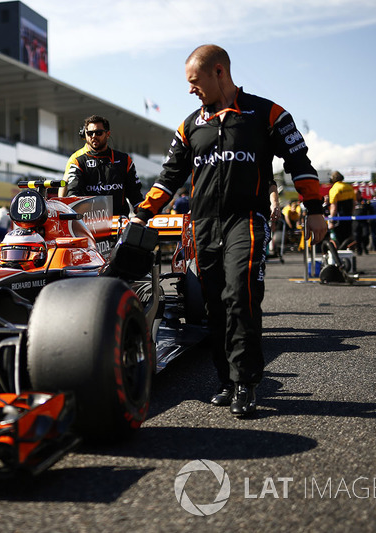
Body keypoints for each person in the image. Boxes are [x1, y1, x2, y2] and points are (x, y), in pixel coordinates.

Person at [130, 44, 327, 417]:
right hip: (203, 225)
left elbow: (298, 160)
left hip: (246, 220)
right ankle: (225, 380)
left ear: (218, 72)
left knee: (241, 295)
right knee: (214, 305)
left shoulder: (268, 113)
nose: (190, 90)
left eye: (194, 82)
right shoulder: (190, 125)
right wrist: (143, 213)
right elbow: (169, 176)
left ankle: (245, 382)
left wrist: (314, 208)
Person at [60, 115, 143, 216]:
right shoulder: (77, 162)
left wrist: (144, 215)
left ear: (108, 134)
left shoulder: (124, 160)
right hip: (90, 225)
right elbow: (72, 195)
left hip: (119, 223)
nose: (94, 136)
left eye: (98, 133)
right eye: (90, 133)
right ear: (85, 135)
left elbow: (136, 196)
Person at [328, 171, 355, 249]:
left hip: (339, 218)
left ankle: (340, 256)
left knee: (339, 239)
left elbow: (334, 207)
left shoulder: (334, 189)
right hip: (349, 216)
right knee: (348, 237)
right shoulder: (349, 187)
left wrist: (331, 221)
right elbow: (354, 203)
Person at [352, 190, 372, 255]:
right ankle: (359, 249)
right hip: (355, 222)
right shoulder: (353, 202)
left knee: (365, 235)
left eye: (357, 194)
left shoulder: (365, 202)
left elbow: (370, 210)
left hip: (364, 222)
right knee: (356, 236)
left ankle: (364, 246)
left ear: (360, 194)